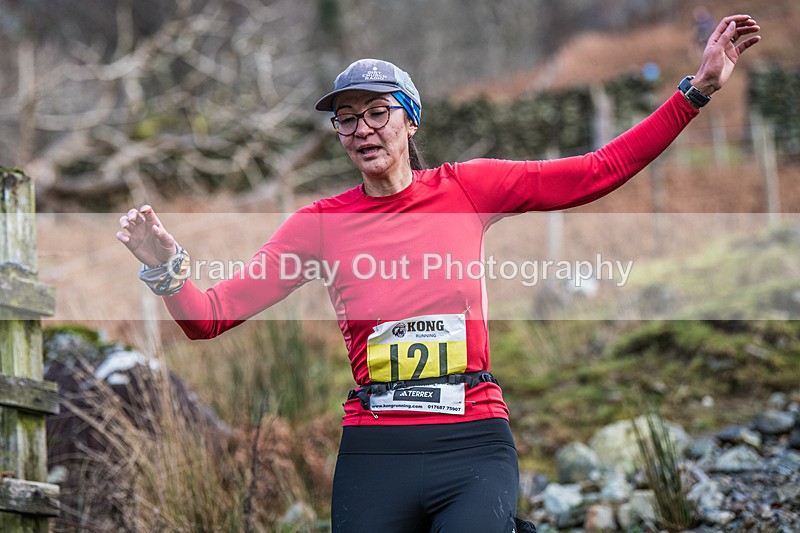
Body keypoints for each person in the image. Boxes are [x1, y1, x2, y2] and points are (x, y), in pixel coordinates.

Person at [116, 14, 760, 533]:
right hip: (376, 453)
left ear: (409, 117)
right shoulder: (318, 225)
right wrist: (166, 269)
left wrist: (695, 90)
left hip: (473, 441)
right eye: (346, 118)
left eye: (377, 112)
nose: (362, 130)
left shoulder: (469, 188)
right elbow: (208, 318)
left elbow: (597, 171)